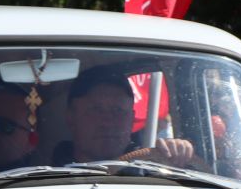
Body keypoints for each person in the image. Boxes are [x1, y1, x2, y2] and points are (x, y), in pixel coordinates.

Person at [55, 71, 194, 167]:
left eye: (118, 111)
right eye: (96, 110)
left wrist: (176, 155)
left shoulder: (151, 168)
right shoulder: (43, 178)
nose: (108, 122)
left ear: (132, 119)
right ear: (71, 117)